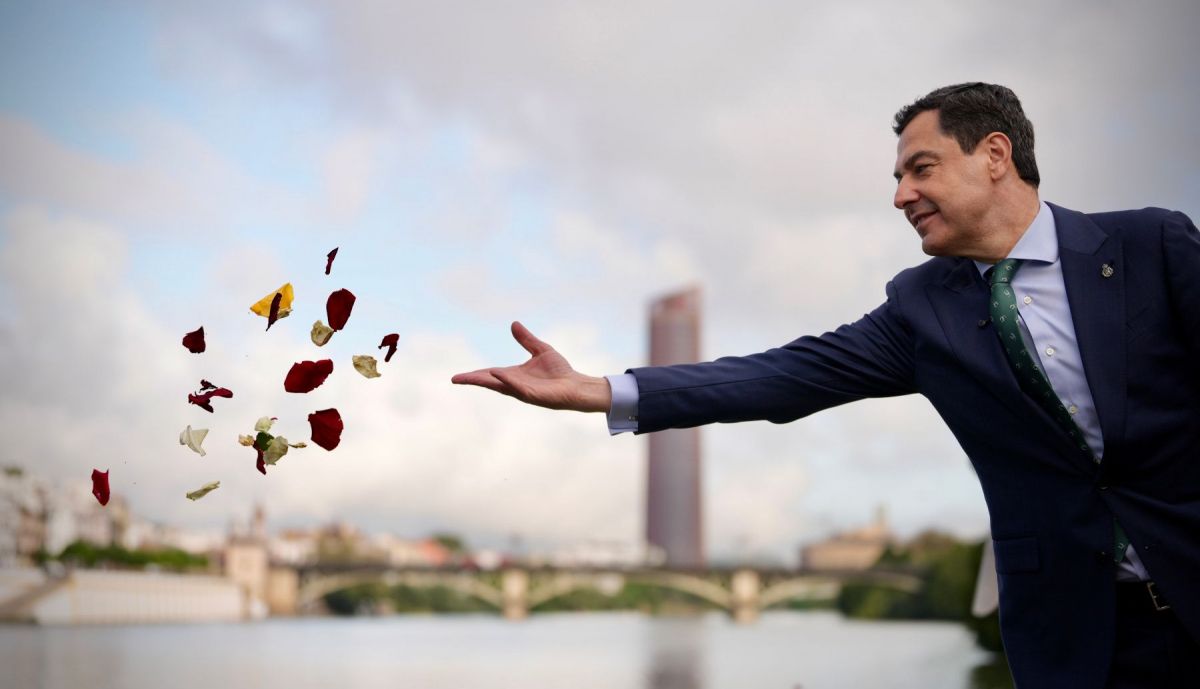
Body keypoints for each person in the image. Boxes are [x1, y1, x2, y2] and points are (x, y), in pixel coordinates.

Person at [451, 83, 1200, 688]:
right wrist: (602, 390)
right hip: (1076, 642)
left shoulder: (1151, 246)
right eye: (898, 177)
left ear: (995, 154)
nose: (901, 194)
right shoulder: (921, 309)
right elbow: (783, 375)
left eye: (920, 168)